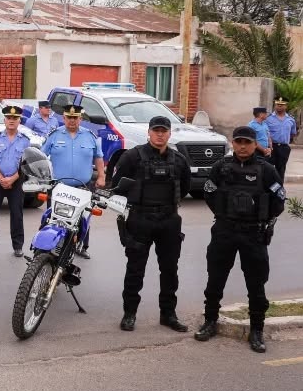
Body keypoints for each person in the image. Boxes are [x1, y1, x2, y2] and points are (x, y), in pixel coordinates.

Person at [194, 126, 285, 353]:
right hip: (225, 231)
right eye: (239, 142)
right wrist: (223, 214)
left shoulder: (267, 170)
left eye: (247, 142)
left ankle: (256, 330)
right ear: (233, 144)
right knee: (215, 279)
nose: (242, 146)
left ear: (255, 144)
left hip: (253, 233)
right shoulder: (221, 167)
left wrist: (263, 219)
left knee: (256, 284)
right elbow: (209, 193)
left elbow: (278, 201)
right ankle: (210, 321)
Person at [111, 115, 191, 333]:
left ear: (169, 133)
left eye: (163, 130)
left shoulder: (179, 160)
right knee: (135, 270)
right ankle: (129, 313)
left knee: (169, 271)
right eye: (156, 130)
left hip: (169, 220)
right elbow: (116, 184)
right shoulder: (132, 157)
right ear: (148, 132)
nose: (160, 134)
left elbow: (184, 188)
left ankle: (168, 314)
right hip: (140, 219)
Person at [42, 104, 106, 259]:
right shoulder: (54, 135)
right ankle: (47, 245)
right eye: (69, 117)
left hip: (82, 186)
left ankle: (82, 246)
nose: (72, 120)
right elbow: (42, 156)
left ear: (80, 119)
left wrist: (102, 176)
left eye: (75, 118)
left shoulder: (90, 136)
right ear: (63, 118)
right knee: (53, 217)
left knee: (83, 218)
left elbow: (98, 157)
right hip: (58, 186)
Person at [0, 105, 31, 257]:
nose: (11, 121)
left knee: (17, 214)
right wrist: (2, 178)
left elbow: (26, 163)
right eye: (9, 118)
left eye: (15, 118)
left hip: (16, 181)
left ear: (19, 121)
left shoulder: (25, 141)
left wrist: (13, 178)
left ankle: (18, 246)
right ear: (4, 120)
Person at [266, 96, 297, 180]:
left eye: (281, 105)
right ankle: (268, 190)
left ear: (286, 106)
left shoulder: (291, 120)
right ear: (274, 105)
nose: (279, 106)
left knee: (281, 169)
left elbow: (293, 134)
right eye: (277, 104)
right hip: (271, 147)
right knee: (268, 169)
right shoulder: (268, 118)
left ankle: (279, 190)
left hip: (284, 148)